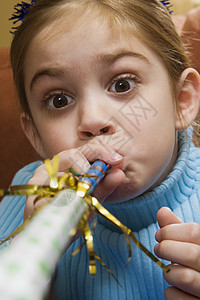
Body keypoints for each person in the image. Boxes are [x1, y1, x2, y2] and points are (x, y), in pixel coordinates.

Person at [0, 0, 200, 299]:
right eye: (59, 100)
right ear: (36, 136)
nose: (92, 121)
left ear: (182, 100)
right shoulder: (25, 199)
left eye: (122, 85)